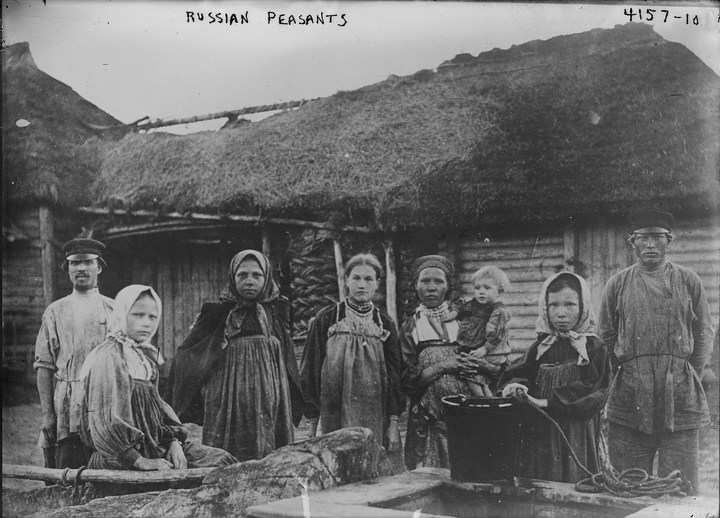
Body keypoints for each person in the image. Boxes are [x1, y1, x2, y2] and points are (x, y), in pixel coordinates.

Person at [598, 209, 714, 494]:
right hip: (630, 396)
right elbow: (606, 338)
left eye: (657, 237)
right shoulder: (617, 284)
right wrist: (625, 376)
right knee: (628, 486)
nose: (650, 245)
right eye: (643, 238)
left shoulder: (689, 281)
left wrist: (688, 374)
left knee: (681, 486)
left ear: (669, 240)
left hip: (680, 394)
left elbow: (703, 333)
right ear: (632, 242)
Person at [79, 285, 237, 472]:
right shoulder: (109, 356)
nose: (146, 323)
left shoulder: (146, 357)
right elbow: (104, 424)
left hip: (154, 445)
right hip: (122, 456)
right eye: (138, 315)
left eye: (152, 317)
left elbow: (158, 409)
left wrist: (173, 442)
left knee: (222, 461)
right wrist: (141, 461)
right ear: (122, 314)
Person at [166, 250, 303, 461]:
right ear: (232, 277)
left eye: (256, 275)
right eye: (242, 275)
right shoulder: (217, 313)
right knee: (228, 446)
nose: (249, 281)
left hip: (268, 392)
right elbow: (190, 351)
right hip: (227, 393)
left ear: (266, 278)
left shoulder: (275, 312)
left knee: (267, 443)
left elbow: (286, 356)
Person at [498, 272, 611, 483]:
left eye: (570, 305)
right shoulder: (542, 346)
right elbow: (521, 372)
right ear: (545, 307)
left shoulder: (593, 347)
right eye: (553, 305)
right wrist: (518, 386)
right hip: (541, 425)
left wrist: (547, 402)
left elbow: (595, 389)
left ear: (583, 307)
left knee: (574, 478)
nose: (561, 313)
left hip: (576, 430)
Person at [301, 253, 403, 456]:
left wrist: (393, 423)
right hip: (333, 414)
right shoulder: (327, 318)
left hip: (375, 414)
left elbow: (395, 376)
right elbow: (310, 369)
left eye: (369, 279)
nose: (362, 285)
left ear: (378, 284)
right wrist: (312, 421)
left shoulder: (385, 323)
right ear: (346, 280)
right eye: (356, 278)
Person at [399, 255, 493, 470]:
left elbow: (491, 365)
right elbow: (408, 381)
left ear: (448, 286)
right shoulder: (410, 328)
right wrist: (445, 365)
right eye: (425, 281)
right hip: (428, 423)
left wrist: (477, 366)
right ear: (415, 285)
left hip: (469, 419)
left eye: (438, 281)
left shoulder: (466, 320)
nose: (431, 288)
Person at [34, 237, 113, 470]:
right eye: (75, 263)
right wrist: (48, 415)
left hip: (106, 406)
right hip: (67, 409)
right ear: (68, 269)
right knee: (67, 472)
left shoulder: (114, 310)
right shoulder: (55, 312)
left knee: (105, 471)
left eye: (88, 262)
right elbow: (44, 366)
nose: (81, 268)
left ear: (99, 267)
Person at [444, 265, 512, 397]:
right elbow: (462, 306)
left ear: (499, 291)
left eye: (487, 288)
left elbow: (495, 334)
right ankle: (487, 398)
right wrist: (454, 313)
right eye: (477, 288)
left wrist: (485, 349)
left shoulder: (498, 311)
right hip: (479, 348)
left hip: (492, 351)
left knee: (470, 372)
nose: (481, 292)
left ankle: (482, 399)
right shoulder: (475, 304)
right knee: (478, 376)